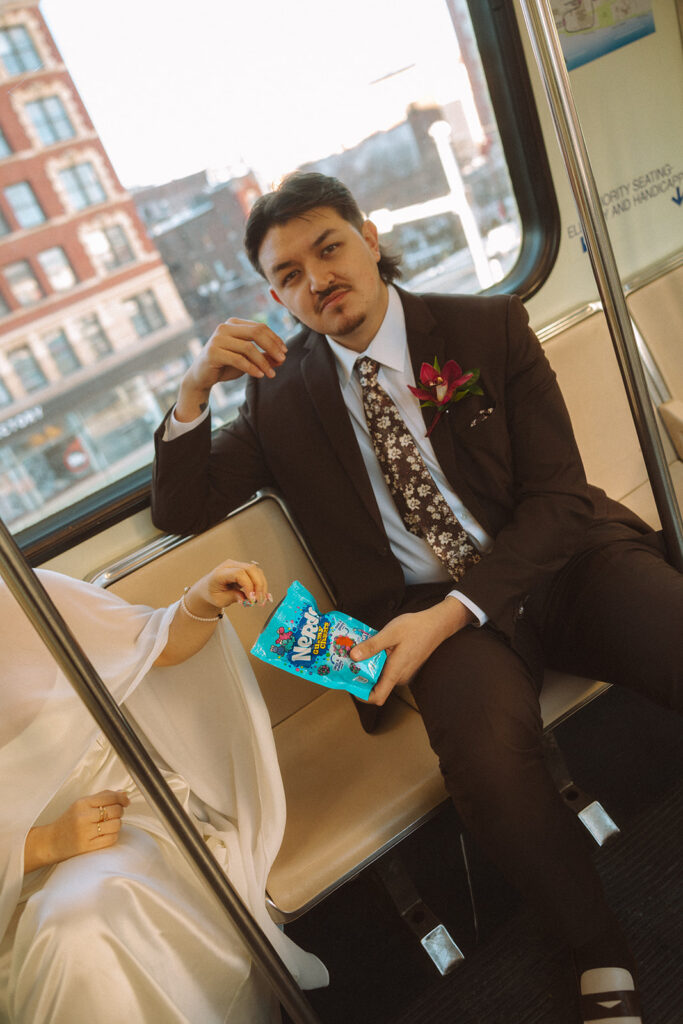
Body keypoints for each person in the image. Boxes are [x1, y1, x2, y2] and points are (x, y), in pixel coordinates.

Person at [151, 171, 682, 1023]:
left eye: (328, 248)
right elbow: (179, 508)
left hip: (558, 563)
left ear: (367, 235)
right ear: (274, 296)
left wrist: (452, 611)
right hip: (432, 621)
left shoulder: (483, 327)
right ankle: (596, 952)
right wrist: (191, 394)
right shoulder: (280, 401)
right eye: (288, 275)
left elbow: (557, 496)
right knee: (482, 760)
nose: (316, 279)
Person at [0, 558, 328, 1023]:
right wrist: (46, 842)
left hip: (125, 819)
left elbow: (152, 643)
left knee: (76, 930)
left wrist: (202, 599)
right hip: (16, 892)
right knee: (68, 934)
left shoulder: (24, 596)